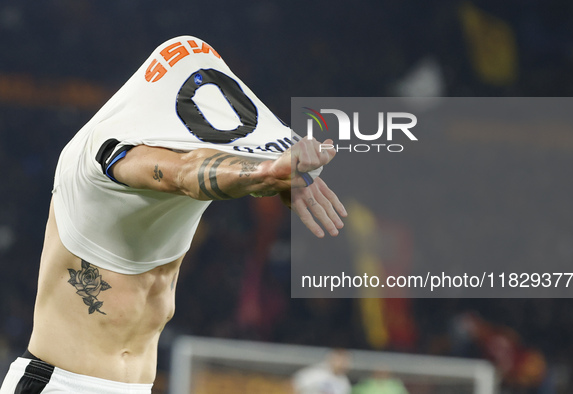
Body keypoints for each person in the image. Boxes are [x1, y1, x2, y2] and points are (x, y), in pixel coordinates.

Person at [0, 36, 346, 393]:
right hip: (61, 384)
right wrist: (266, 172)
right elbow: (186, 173)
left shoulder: (201, 146)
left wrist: (274, 175)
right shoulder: (109, 148)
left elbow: (217, 164)